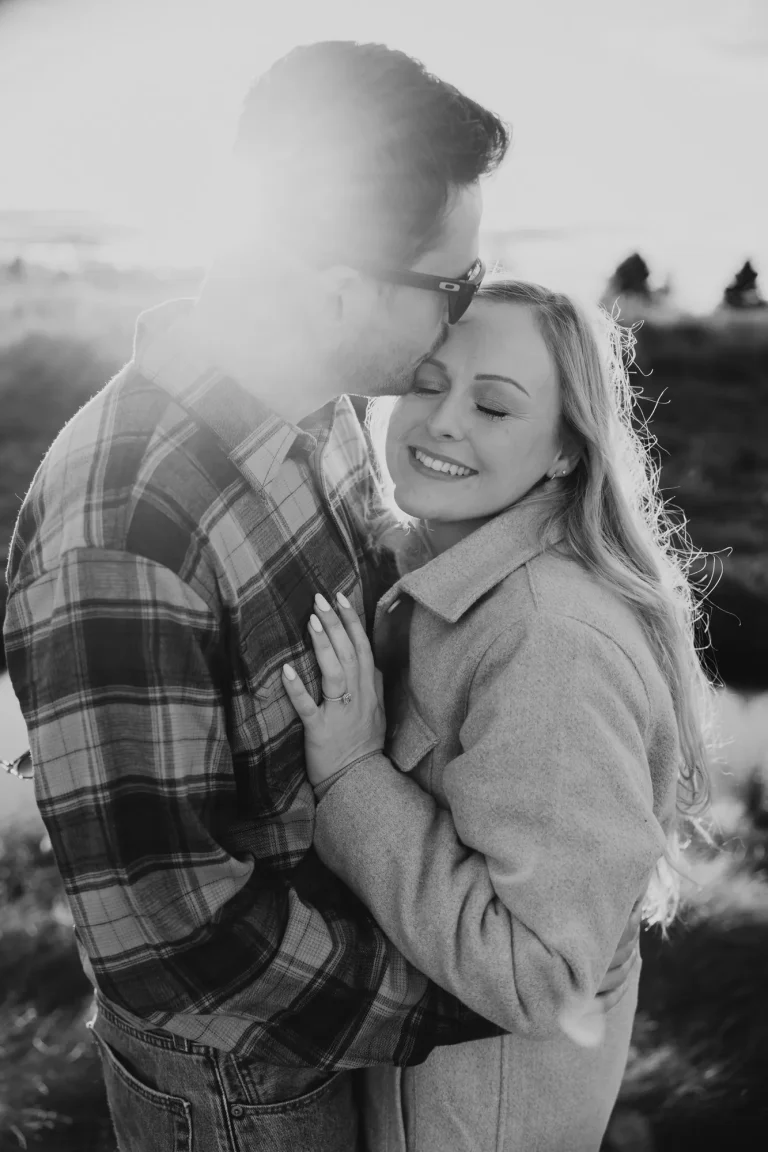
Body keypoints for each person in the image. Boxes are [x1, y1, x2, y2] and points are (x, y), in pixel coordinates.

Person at [3, 44, 636, 1152]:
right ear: (343, 288)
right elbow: (183, 940)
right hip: (242, 1085)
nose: (461, 314)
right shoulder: (124, 533)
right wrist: (492, 989)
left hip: (339, 1037)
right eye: (454, 286)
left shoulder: (319, 411)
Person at [282, 279, 713, 1151]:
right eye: (429, 383)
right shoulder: (439, 569)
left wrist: (354, 776)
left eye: (494, 405)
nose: (443, 421)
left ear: (564, 450)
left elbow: (539, 974)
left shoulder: (548, 643)